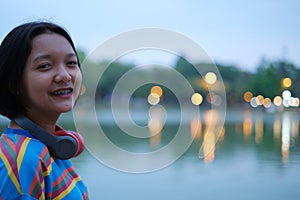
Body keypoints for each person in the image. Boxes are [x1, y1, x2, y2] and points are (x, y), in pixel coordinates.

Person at [0, 21, 89, 199]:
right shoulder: (22, 160)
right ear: (14, 83)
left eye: (71, 63)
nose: (65, 75)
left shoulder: (49, 145)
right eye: (45, 66)